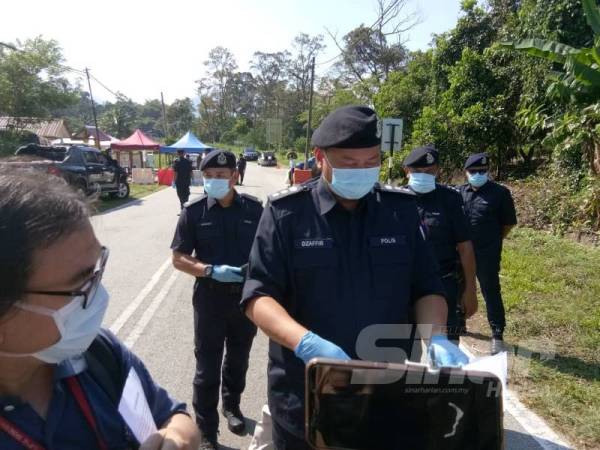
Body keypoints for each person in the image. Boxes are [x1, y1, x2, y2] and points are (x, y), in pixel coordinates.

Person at [241, 105, 469, 450]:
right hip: (306, 394)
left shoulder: (401, 210)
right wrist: (306, 343)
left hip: (385, 392)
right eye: (349, 162)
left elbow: (427, 286)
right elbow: (258, 296)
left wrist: (436, 337)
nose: (362, 171)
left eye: (371, 161)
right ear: (321, 158)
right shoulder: (287, 214)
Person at [0, 168, 200, 450]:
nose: (99, 295)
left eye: (97, 271)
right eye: (79, 285)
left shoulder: (98, 355)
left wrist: (177, 439)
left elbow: (170, 416)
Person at [171, 149, 263, 450]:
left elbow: (269, 249)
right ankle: (207, 428)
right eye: (209, 177)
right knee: (207, 365)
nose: (214, 181)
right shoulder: (194, 213)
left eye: (221, 176)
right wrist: (210, 270)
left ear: (235, 177)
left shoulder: (254, 210)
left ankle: (232, 407)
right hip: (209, 300)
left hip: (245, 300)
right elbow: (179, 258)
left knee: (238, 359)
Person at [403, 146, 478, 342]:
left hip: (444, 284)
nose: (424, 175)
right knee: (404, 349)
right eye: (417, 171)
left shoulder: (450, 199)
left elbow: (465, 247)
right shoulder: (395, 199)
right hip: (404, 286)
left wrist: (470, 289)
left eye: (429, 172)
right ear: (406, 171)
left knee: (447, 348)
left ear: (438, 171)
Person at [458, 153, 517, 354]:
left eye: (482, 171)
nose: (478, 174)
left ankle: (497, 334)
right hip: (462, 252)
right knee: (461, 286)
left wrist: (494, 240)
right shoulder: (459, 193)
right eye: (473, 172)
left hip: (487, 253)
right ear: (465, 173)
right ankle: (460, 323)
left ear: (488, 172)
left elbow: (508, 223)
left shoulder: (500, 193)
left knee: (490, 291)